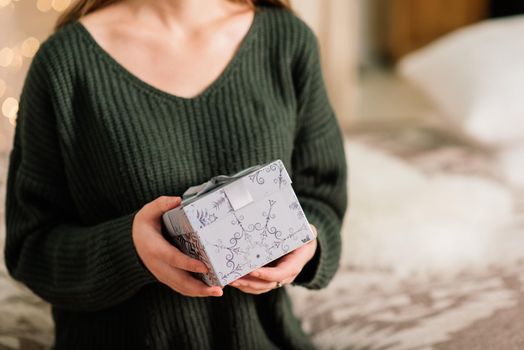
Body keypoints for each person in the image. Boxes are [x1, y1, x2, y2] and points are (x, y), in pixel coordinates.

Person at [3, 0, 348, 348]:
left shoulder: (286, 40)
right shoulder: (64, 62)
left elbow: (321, 200)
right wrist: (129, 250)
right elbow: (30, 250)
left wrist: (307, 246)